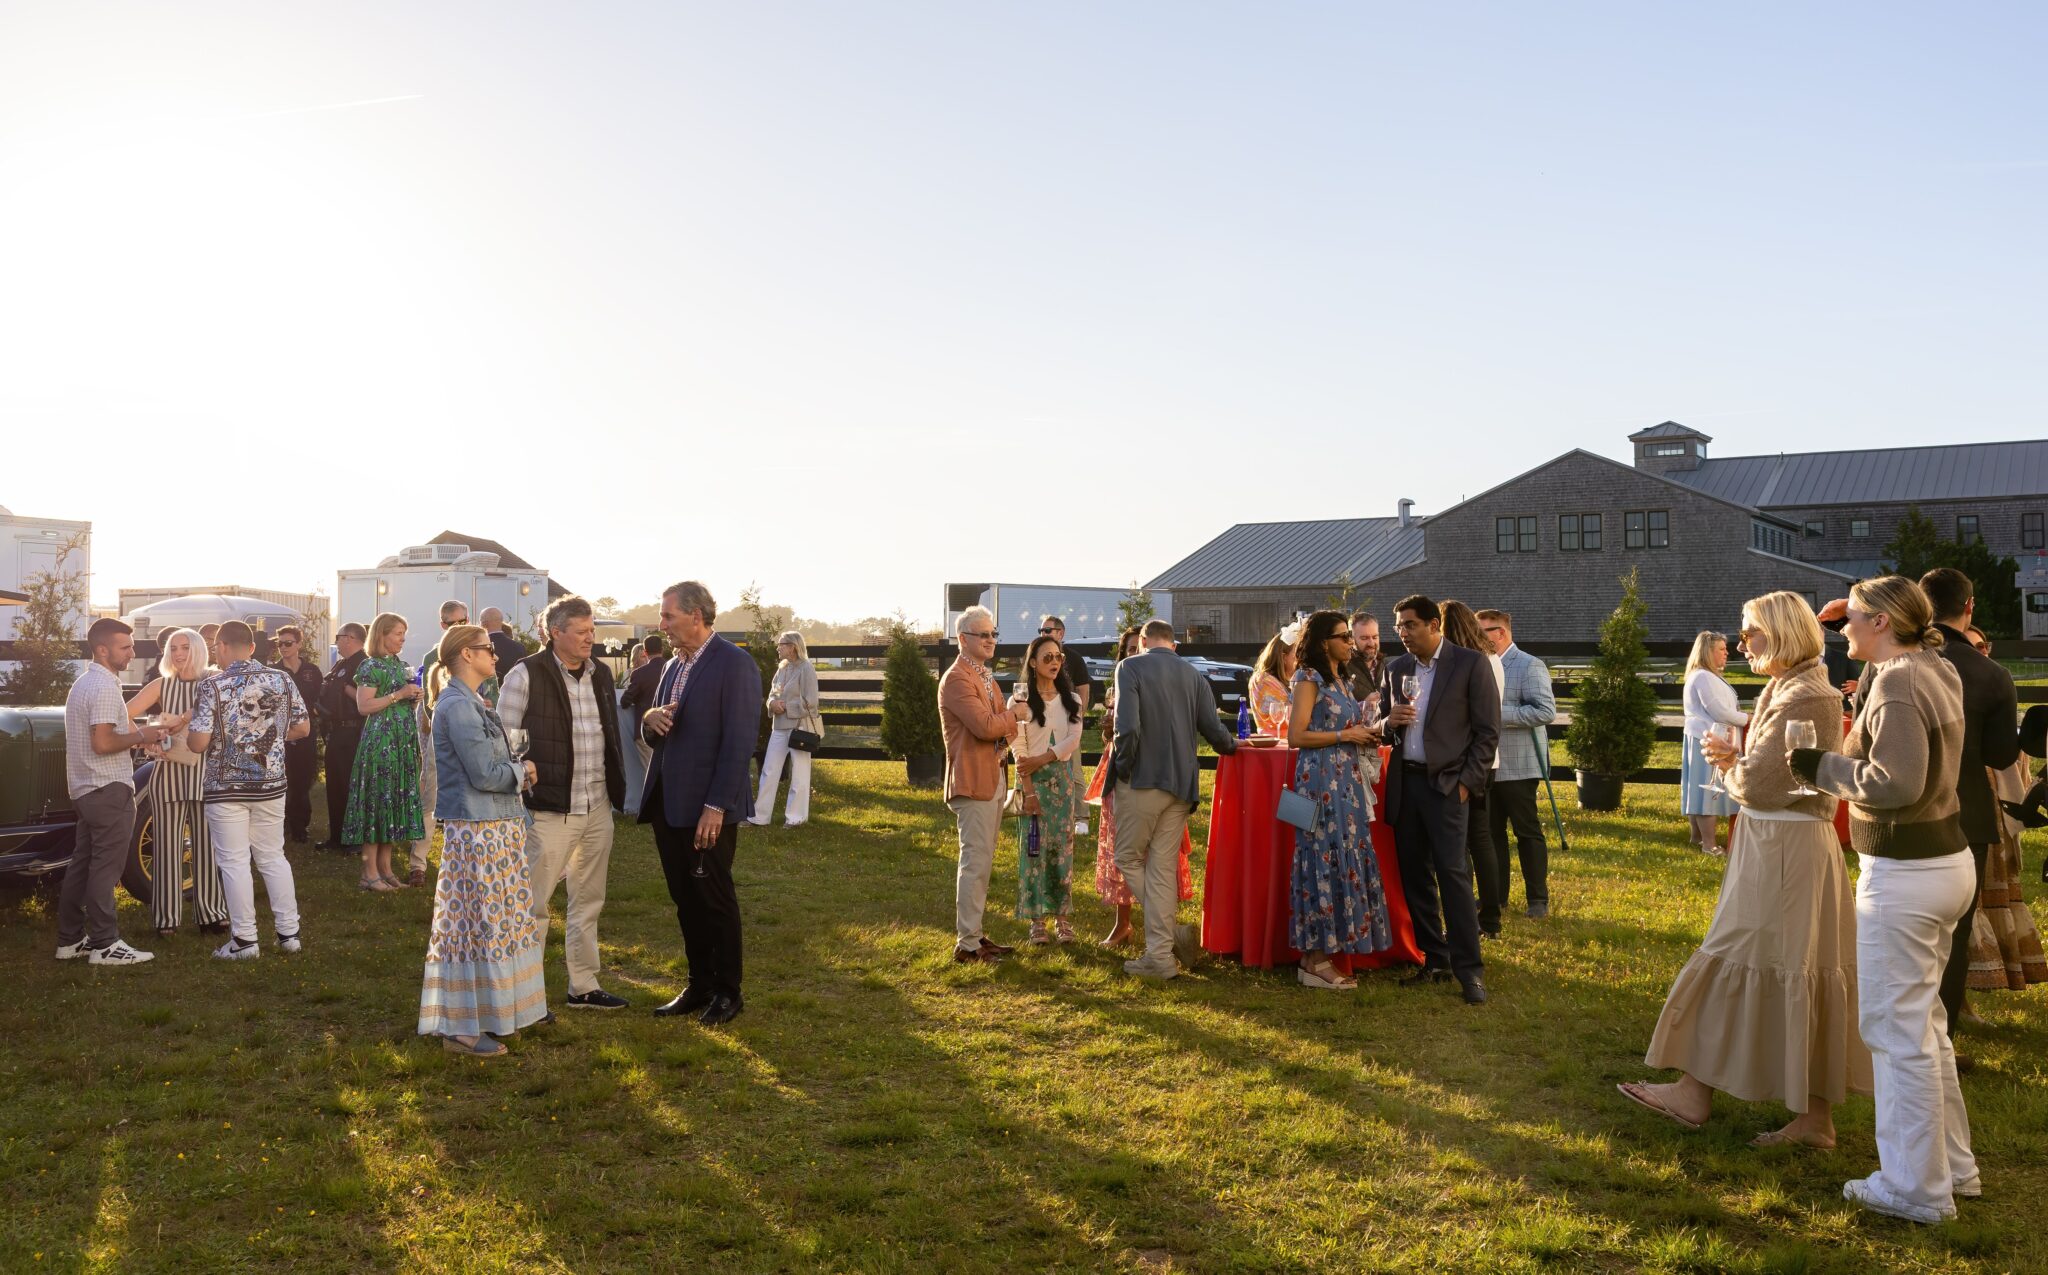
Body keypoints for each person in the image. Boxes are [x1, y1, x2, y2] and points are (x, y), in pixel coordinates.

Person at [1621, 591, 1870, 1146]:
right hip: (1777, 841)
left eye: (1750, 632)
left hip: (1785, 845)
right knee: (1788, 963)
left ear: (1780, 633)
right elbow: (1767, 776)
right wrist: (1740, 765)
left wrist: (1731, 763)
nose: (1741, 645)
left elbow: (1764, 784)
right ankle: (1809, 1117)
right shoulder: (1792, 686)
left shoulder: (1805, 694)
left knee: (1749, 957)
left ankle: (1700, 1094)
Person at [1788, 575, 1976, 1224]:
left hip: (1906, 871)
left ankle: (1914, 1189)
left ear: (1883, 623)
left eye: (1855, 617)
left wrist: (1816, 766)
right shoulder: (1932, 666)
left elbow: (1895, 784)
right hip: (1944, 864)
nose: (1843, 627)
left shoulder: (1900, 681)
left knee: (1896, 1034)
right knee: (1925, 1028)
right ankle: (1952, 1169)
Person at [419, 623, 547, 1057]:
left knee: (494, 925)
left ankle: (493, 1013)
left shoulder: (471, 701)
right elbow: (484, 774)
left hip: (494, 827)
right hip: (477, 832)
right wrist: (523, 772)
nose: (495, 654)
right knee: (474, 927)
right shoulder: (457, 706)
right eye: (487, 648)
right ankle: (461, 1028)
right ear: (466, 655)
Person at [499, 594, 630, 1011]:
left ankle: (583, 986)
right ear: (555, 633)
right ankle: (524, 995)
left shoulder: (601, 674)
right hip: (549, 808)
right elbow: (503, 738)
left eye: (592, 630)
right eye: (581, 632)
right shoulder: (525, 674)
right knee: (533, 905)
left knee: (589, 900)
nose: (590, 638)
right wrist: (522, 778)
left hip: (597, 805)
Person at [641, 581, 760, 1026]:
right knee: (685, 899)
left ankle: (729, 992)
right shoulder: (673, 665)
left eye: (668, 615)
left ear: (696, 616)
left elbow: (739, 742)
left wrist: (717, 805)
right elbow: (655, 729)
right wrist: (650, 718)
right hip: (668, 804)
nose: (662, 624)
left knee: (714, 899)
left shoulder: (735, 663)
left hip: (708, 807)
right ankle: (700, 984)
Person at [1916, 567, 2019, 1063]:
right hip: (1966, 812)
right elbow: (2000, 755)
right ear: (1969, 607)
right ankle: (1940, 1043)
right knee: (1952, 937)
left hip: (1902, 811)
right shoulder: (1990, 673)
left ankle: (1896, 1038)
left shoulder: (1897, 659)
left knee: (1902, 933)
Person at [1375, 595, 1498, 1005]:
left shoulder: (1470, 664)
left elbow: (1487, 733)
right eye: (1398, 627)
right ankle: (1435, 959)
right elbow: (1382, 727)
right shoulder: (1396, 669)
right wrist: (1388, 722)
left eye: (1409, 625)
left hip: (1446, 786)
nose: (1402, 633)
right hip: (1406, 784)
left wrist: (1465, 784)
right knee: (1415, 876)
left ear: (1434, 625)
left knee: (1453, 875)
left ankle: (1470, 970)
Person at [1111, 619, 1239, 979]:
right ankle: (1161, 953)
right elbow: (1214, 729)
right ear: (1174, 645)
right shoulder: (1193, 675)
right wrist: (1235, 746)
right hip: (1183, 783)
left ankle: (1163, 946)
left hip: (1142, 779)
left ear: (1143, 641)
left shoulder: (1130, 666)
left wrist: (1123, 766)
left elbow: (1127, 727)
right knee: (1162, 868)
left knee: (1127, 856)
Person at [184, 621, 311, 960]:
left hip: (226, 787)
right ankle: (289, 935)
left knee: (234, 861)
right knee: (273, 857)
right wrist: (266, 737)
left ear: (221, 646)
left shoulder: (212, 685)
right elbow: (303, 728)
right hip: (270, 784)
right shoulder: (282, 679)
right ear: (252, 647)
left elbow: (197, 743)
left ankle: (245, 941)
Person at [1285, 610, 1392, 990]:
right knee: (1320, 858)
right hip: (1319, 780)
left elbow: (1343, 727)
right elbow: (1296, 736)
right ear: (1322, 642)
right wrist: (1345, 736)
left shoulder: (1342, 679)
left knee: (1343, 853)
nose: (1351, 642)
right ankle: (1315, 959)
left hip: (1345, 781)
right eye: (1344, 636)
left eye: (1350, 636)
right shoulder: (1308, 678)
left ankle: (1317, 957)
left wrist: (1365, 732)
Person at [54, 619, 168, 966]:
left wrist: (139, 736)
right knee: (106, 869)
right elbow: (103, 743)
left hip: (86, 789)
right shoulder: (104, 687)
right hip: (107, 788)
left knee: (82, 865)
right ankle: (105, 944)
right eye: (125, 647)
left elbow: (105, 735)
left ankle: (70, 940)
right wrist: (144, 735)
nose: (132, 653)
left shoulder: (85, 682)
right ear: (102, 649)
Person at [1091, 627, 1195, 948]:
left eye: (1141, 646)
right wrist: (1109, 732)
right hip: (1122, 770)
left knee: (1155, 855)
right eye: (1131, 648)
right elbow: (1118, 732)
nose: (1137, 652)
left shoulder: (1166, 681)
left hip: (1153, 773)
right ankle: (1125, 924)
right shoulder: (1121, 682)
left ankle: (1165, 931)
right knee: (1121, 847)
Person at [941, 605, 1026, 964]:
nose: (991, 640)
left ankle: (974, 934)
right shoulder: (957, 679)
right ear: (963, 639)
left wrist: (1005, 723)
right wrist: (1013, 716)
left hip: (993, 777)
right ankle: (967, 945)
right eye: (984, 634)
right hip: (972, 781)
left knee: (983, 862)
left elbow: (999, 730)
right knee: (975, 863)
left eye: (994, 634)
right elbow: (986, 727)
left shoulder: (986, 677)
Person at [125, 628, 223, 936]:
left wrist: (188, 717)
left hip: (205, 774)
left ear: (198, 649)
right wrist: (144, 738)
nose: (179, 654)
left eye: (185, 647)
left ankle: (211, 914)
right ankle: (166, 919)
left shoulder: (214, 680)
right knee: (166, 849)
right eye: (173, 648)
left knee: (207, 847)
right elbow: (123, 712)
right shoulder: (161, 684)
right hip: (167, 775)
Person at [1476, 609, 1556, 923]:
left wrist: (1495, 713)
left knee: (1527, 832)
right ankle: (1497, 896)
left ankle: (1538, 899)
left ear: (1501, 632)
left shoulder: (1528, 664)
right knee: (1491, 833)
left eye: (1483, 631)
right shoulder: (1481, 664)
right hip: (1488, 764)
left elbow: (1545, 711)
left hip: (1520, 765)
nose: (1477, 637)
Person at [341, 612, 427, 892]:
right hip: (381, 742)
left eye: (404, 634)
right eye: (398, 633)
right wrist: (398, 695)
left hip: (401, 741)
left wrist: (413, 698)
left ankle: (386, 870)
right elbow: (364, 706)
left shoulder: (398, 664)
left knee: (392, 801)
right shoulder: (370, 665)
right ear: (382, 634)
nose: (403, 639)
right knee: (377, 803)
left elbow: (400, 702)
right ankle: (369, 874)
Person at [1007, 635, 1085, 944]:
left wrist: (1044, 758)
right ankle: (1036, 921)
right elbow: (1019, 751)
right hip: (1032, 782)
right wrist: (1029, 793)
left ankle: (1062, 918)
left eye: (1058, 657)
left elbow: (1073, 739)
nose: (1054, 662)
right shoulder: (1019, 703)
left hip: (1061, 783)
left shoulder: (1072, 700)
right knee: (1033, 850)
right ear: (1032, 662)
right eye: (1047, 657)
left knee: (1062, 850)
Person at [1441, 602, 1506, 939]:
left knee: (1467, 842)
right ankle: (1490, 916)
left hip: (1467, 761)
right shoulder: (1492, 658)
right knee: (1481, 839)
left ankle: (1473, 915)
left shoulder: (1467, 663)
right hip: (1488, 760)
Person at [1681, 631, 1747, 855]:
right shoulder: (1703, 677)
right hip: (1708, 739)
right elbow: (1719, 711)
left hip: (1705, 736)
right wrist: (1749, 718)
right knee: (1707, 791)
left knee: (1699, 789)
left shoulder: (1707, 675)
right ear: (1707, 652)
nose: (1727, 653)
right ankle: (1709, 845)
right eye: (1721, 649)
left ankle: (1697, 837)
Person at [748, 630, 822, 828]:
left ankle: (796, 818)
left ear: (793, 647)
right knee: (769, 770)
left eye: (781, 644)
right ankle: (760, 816)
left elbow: (811, 702)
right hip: (779, 727)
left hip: (800, 728)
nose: (778, 647)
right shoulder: (782, 668)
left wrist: (787, 707)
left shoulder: (806, 668)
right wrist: (772, 704)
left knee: (799, 774)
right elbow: (772, 694)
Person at [265, 624, 324, 845]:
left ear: (299, 644)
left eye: (288, 643)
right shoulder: (273, 672)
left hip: (306, 733)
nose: (283, 647)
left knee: (302, 780)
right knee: (281, 779)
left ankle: (300, 826)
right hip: (280, 734)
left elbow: (320, 697)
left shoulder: (312, 671)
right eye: (279, 643)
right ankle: (280, 824)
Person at [1038, 615, 1094, 836]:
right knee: (1043, 768)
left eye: (1047, 630)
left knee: (1074, 770)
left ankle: (1081, 817)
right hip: (1042, 722)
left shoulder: (1074, 659)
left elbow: (1084, 691)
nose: (1043, 634)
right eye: (1041, 631)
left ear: (1060, 633)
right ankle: (1046, 811)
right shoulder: (1035, 656)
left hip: (1068, 722)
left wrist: (1076, 719)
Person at [318, 622, 367, 852]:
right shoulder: (341, 663)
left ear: (349, 638)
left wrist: (345, 688)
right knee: (335, 784)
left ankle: (353, 839)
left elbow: (366, 699)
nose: (336, 642)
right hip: (336, 730)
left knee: (349, 785)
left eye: (339, 637)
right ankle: (336, 836)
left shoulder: (364, 664)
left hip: (353, 731)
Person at [619, 633, 667, 816]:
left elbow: (625, 700)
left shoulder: (640, 673)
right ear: (662, 649)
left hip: (647, 732)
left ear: (645, 652)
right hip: (671, 728)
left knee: (650, 770)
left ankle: (655, 810)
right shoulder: (674, 668)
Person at [1247, 624, 1300, 736]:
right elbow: (1287, 717)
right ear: (1283, 657)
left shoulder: (1283, 681)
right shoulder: (1263, 680)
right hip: (1275, 742)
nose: (1302, 659)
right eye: (1298, 654)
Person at [478, 606, 530, 696]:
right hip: (515, 696)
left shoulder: (479, 647)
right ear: (501, 622)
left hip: (488, 698)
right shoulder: (519, 647)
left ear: (483, 624)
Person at [1345, 611, 1384, 705]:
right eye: (1364, 638)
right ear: (1352, 639)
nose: (1371, 643)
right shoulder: (1342, 669)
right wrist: (1364, 704)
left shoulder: (1388, 667)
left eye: (1375, 637)